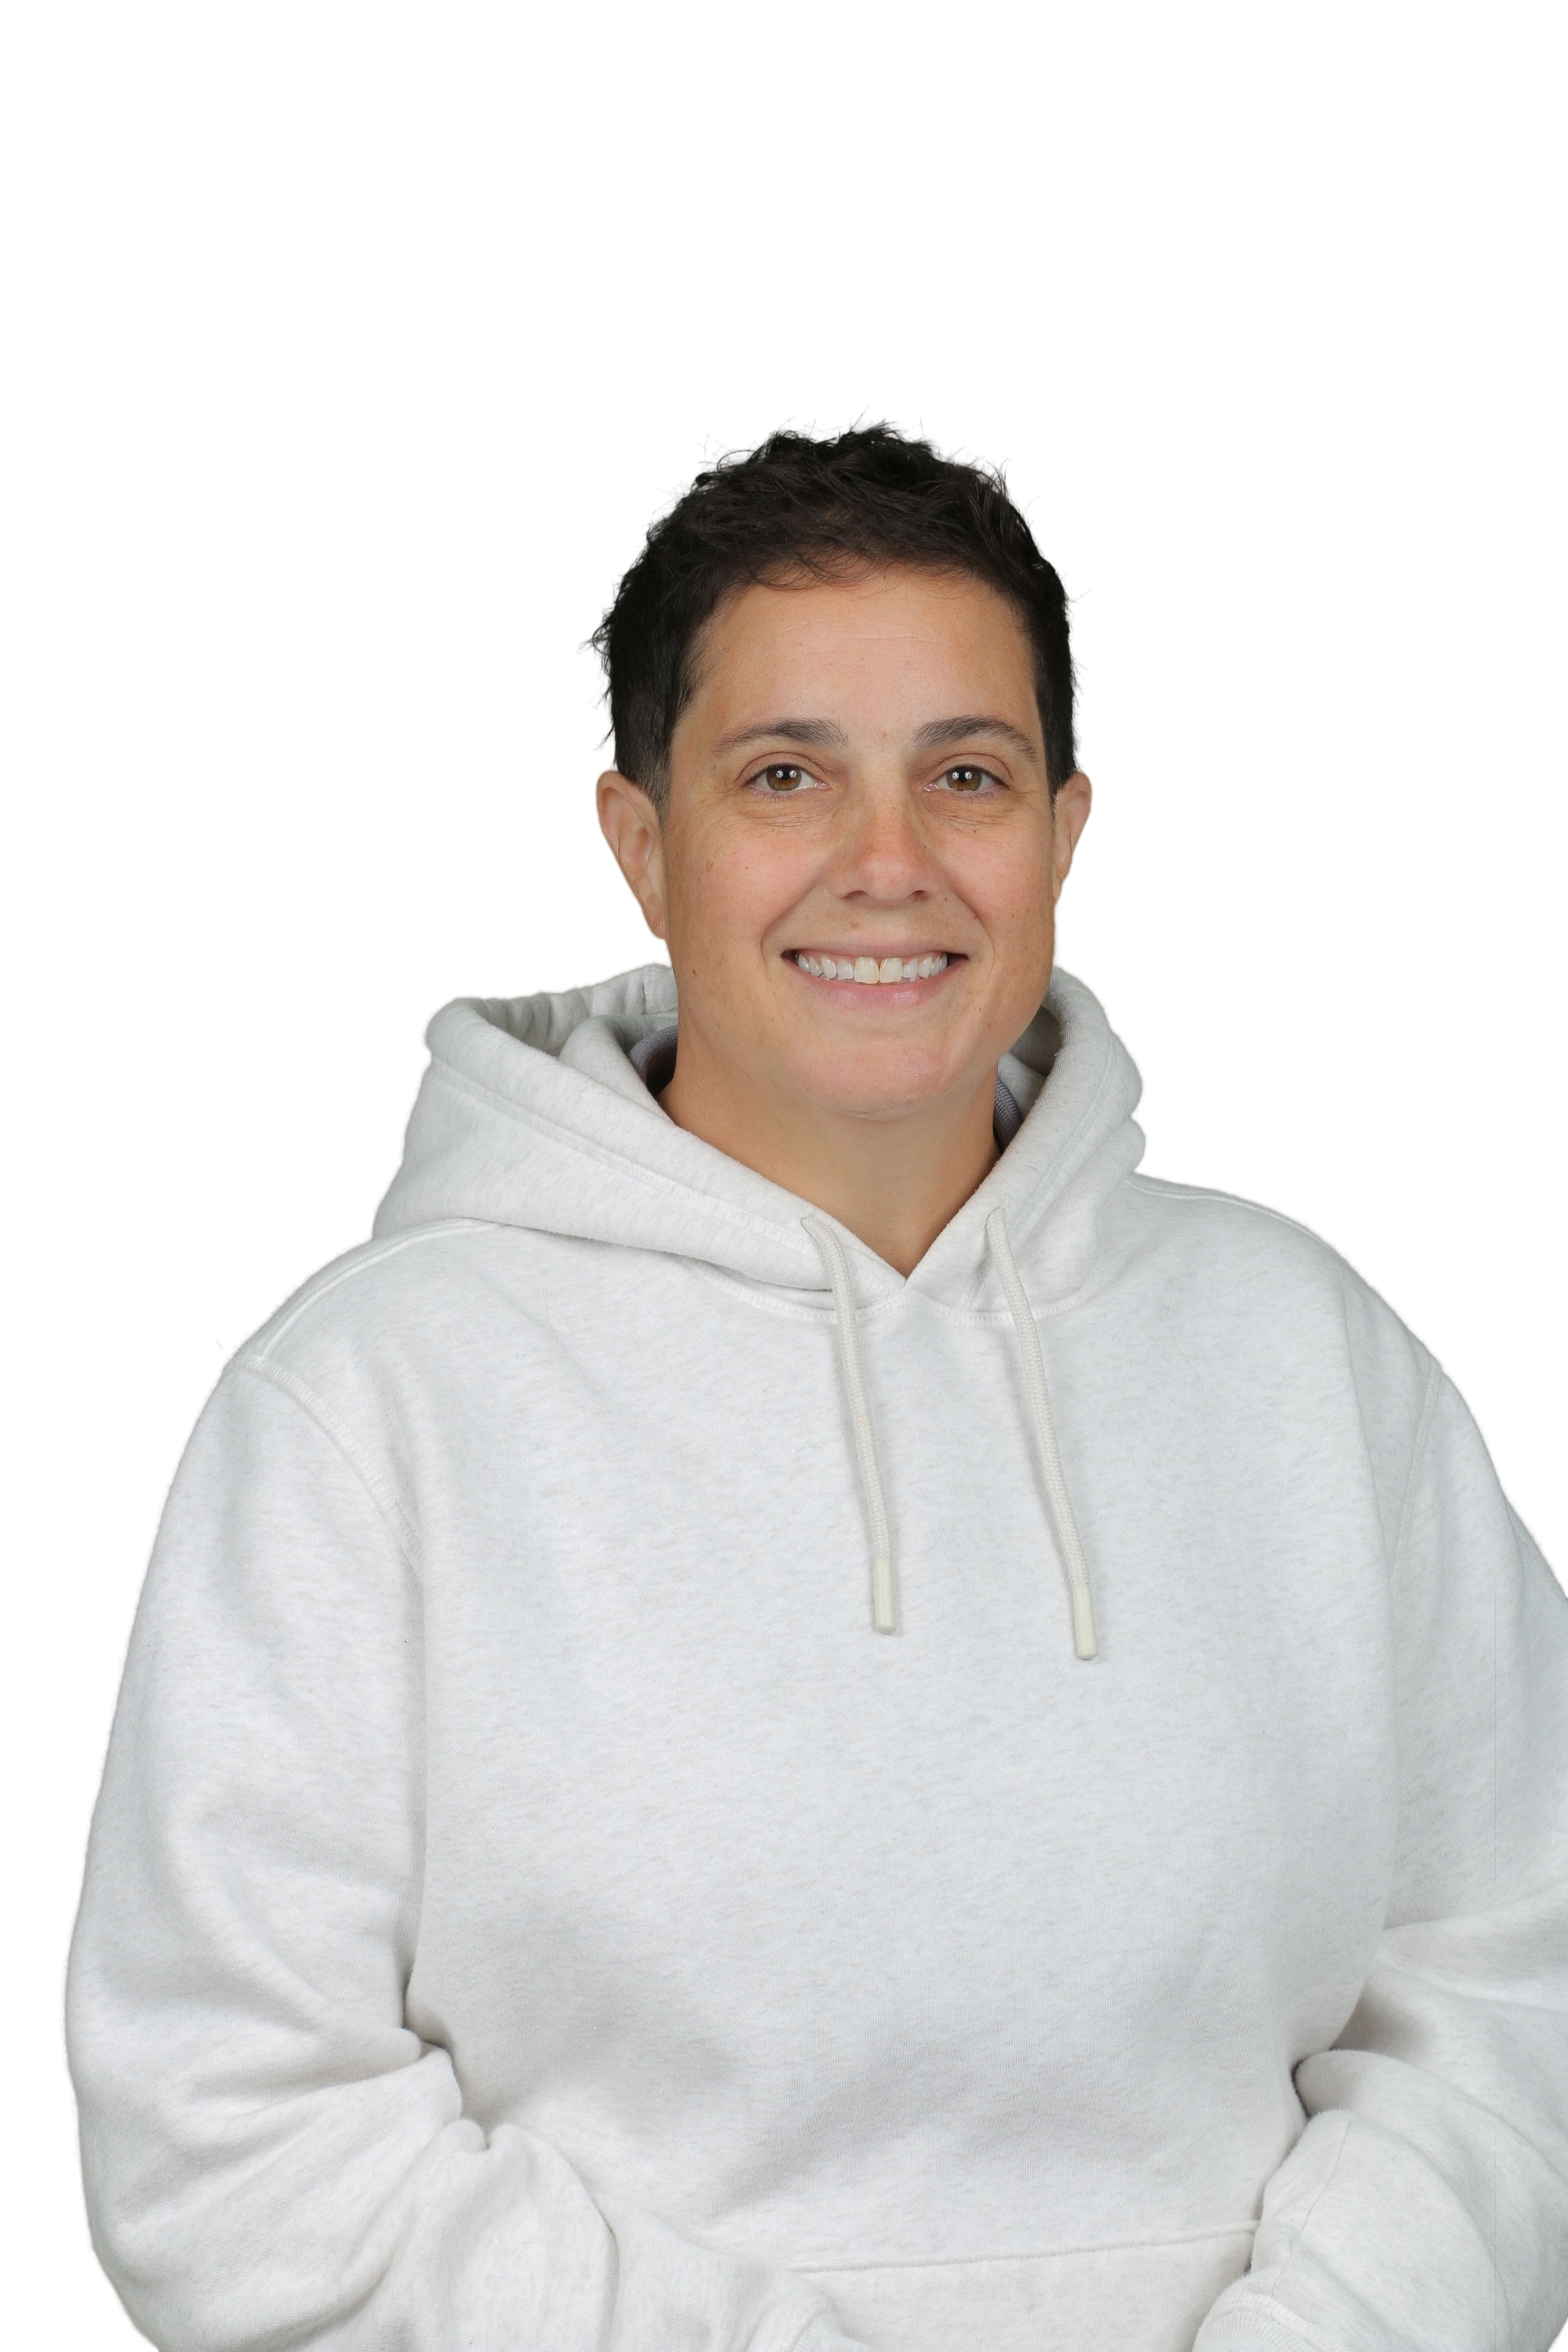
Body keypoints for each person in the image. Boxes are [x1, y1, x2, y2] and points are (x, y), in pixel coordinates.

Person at [59, 411, 1568, 2352]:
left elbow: (1517, 1986)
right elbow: (231, 2139)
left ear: (1067, 833)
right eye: (787, 775)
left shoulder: (1313, 1361)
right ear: (642, 842)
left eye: (968, 775)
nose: (888, 864)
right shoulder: (369, 1407)